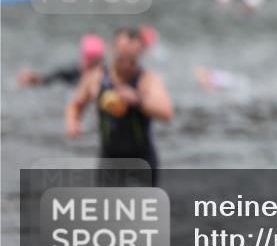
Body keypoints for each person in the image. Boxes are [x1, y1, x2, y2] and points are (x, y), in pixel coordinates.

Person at [64, 27, 174, 185]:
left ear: (140, 54)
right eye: (121, 58)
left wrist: (138, 100)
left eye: (132, 60)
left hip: (141, 158)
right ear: (112, 50)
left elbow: (167, 112)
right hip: (109, 158)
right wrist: (72, 124)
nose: (126, 65)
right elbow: (75, 105)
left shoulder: (147, 80)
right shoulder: (96, 78)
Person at [17, 34, 105, 87]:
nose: (88, 63)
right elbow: (47, 80)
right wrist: (32, 79)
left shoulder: (106, 78)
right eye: (87, 58)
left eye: (94, 62)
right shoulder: (70, 73)